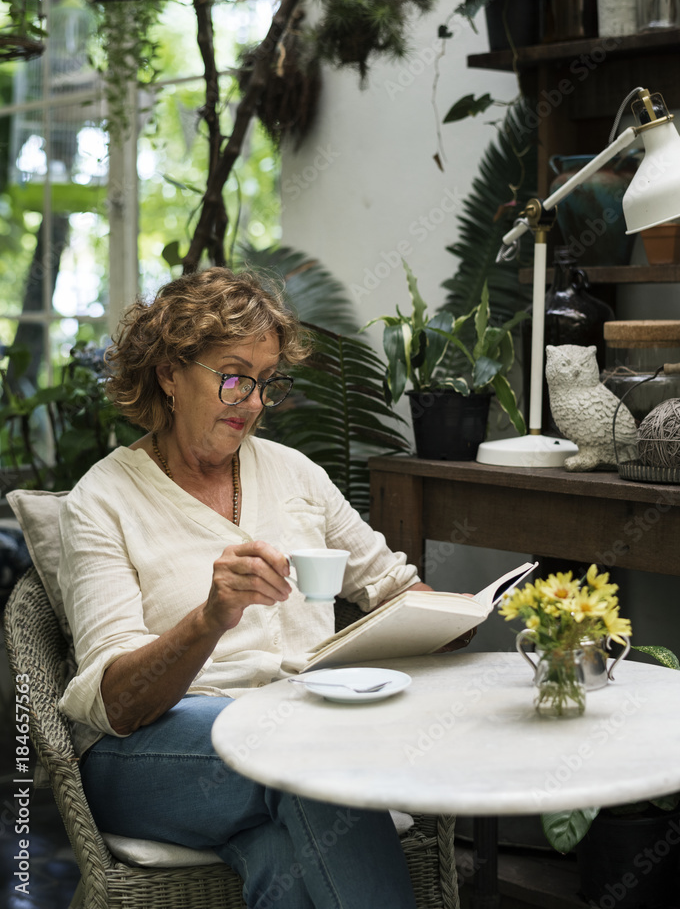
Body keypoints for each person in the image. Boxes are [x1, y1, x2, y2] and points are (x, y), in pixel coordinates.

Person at [57, 267, 469, 909]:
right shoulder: (102, 501)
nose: (250, 401)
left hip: (291, 739)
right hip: (145, 754)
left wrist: (468, 614)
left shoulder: (295, 474)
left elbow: (392, 587)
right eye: (232, 375)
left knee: (281, 856)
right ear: (169, 373)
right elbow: (116, 702)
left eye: (265, 382)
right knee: (299, 745)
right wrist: (210, 617)